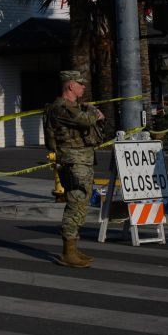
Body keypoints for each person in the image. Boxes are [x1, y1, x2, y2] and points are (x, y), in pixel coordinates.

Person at [44, 69, 104, 268]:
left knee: (81, 204)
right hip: (73, 162)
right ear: (70, 85)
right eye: (80, 84)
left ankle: (72, 248)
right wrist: (93, 112)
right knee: (75, 204)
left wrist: (90, 111)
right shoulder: (61, 108)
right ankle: (67, 252)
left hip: (82, 161)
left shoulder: (73, 107)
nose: (83, 87)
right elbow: (85, 120)